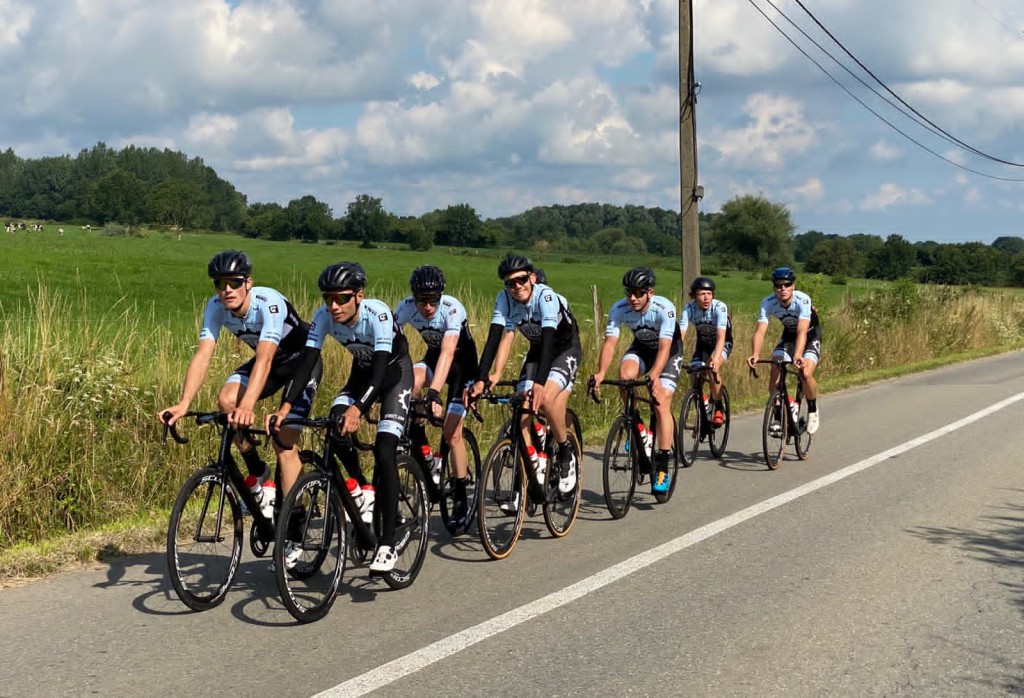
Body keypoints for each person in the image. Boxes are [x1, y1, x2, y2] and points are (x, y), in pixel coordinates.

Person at [270, 261, 413, 574]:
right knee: (335, 425)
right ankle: (360, 489)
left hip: (393, 375)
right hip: (361, 375)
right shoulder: (323, 317)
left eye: (341, 298)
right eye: (328, 298)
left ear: (359, 296)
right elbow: (306, 363)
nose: (333, 306)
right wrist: (286, 407)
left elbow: (379, 372)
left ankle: (387, 545)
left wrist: (358, 409)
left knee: (384, 449)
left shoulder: (378, 316)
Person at [158, 250, 321, 517]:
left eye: (234, 282)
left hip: (302, 363)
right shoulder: (215, 306)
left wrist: (247, 406)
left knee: (284, 441)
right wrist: (184, 403)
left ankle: (295, 523)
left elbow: (265, 359)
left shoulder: (268, 303)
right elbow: (203, 355)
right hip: (271, 363)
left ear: (248, 282)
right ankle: (259, 476)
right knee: (226, 401)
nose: (227, 290)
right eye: (220, 284)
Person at [466, 254, 582, 503]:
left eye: (521, 280)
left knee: (547, 400)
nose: (517, 286)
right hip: (537, 352)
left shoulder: (546, 297)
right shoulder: (504, 299)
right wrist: (483, 377)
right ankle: (532, 466)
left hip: (564, 349)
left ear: (531, 278)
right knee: (522, 414)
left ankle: (565, 452)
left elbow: (550, 339)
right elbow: (495, 337)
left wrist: (540, 384)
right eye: (510, 283)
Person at [393, 265, 479, 528]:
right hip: (433, 359)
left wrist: (435, 393)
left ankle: (462, 495)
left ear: (441, 297)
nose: (427, 307)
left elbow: (448, 352)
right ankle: (425, 453)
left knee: (452, 432)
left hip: (462, 367)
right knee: (410, 383)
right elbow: (389, 340)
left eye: (432, 301)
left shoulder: (452, 309)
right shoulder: (405, 307)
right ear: (414, 297)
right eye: (422, 301)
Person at [589, 267, 682, 494]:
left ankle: (662, 467)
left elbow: (665, 346)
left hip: (668, 353)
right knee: (624, 377)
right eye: (629, 292)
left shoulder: (665, 309)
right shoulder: (619, 308)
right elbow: (610, 343)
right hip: (641, 348)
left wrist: (656, 374)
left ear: (649, 292)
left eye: (638, 293)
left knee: (660, 401)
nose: (632, 298)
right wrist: (601, 372)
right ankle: (639, 426)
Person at [747, 267, 821, 435]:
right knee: (775, 365)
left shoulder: (802, 300)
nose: (783, 289)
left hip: (810, 336)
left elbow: (802, 331)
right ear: (774, 288)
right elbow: (760, 331)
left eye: (787, 285)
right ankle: (779, 413)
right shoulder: (768, 302)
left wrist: (797, 355)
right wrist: (755, 354)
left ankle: (812, 407)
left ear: (793, 286)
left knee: (806, 373)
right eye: (779, 286)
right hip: (788, 336)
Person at [678, 276, 733, 427]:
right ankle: (702, 407)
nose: (706, 297)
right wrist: (673, 356)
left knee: (711, 368)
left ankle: (719, 406)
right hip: (702, 345)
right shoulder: (689, 309)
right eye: (702, 294)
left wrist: (715, 359)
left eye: (709, 293)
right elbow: (681, 335)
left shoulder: (719, 307)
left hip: (722, 343)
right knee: (694, 373)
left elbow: (722, 336)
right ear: (694, 296)